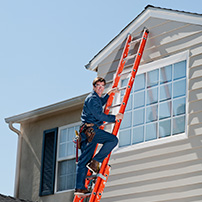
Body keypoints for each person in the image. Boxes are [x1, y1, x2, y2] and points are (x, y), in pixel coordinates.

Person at [74, 77, 124, 195]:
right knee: (112, 140)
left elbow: (99, 103)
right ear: (94, 87)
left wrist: (108, 95)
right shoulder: (92, 99)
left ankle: (79, 188)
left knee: (83, 160)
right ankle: (95, 161)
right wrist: (114, 118)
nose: (100, 88)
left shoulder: (95, 98)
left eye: (102, 86)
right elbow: (100, 115)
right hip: (90, 131)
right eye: (98, 86)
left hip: (87, 131)